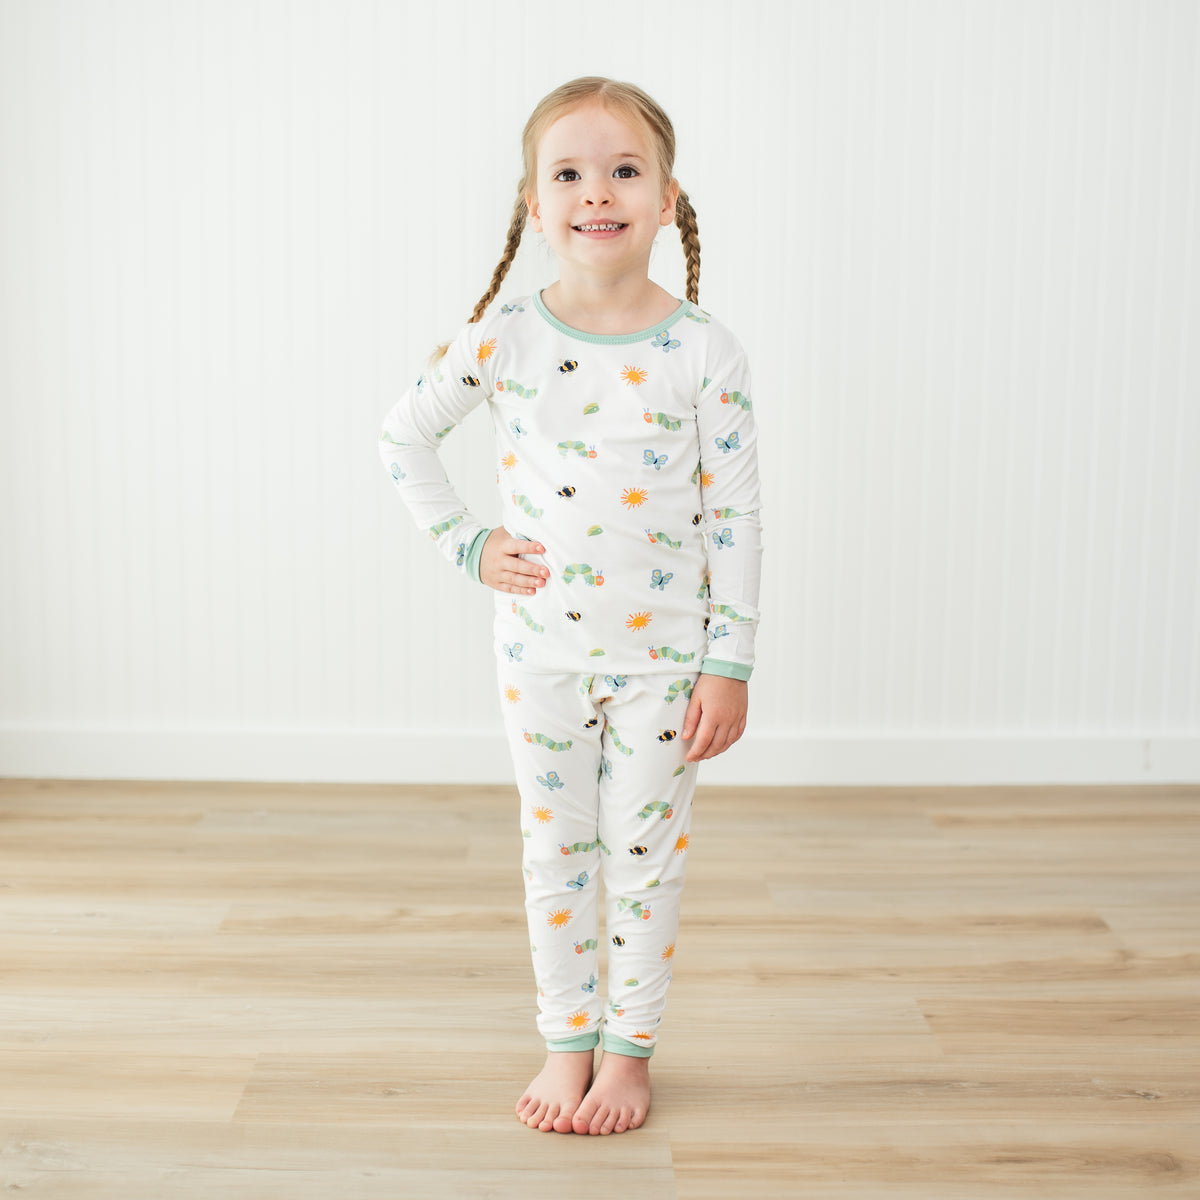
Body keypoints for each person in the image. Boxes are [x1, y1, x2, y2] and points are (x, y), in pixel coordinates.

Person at [377, 76, 763, 1136]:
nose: (599, 192)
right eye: (571, 173)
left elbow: (735, 521)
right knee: (555, 851)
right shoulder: (503, 338)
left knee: (644, 860)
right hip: (539, 653)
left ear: (668, 197)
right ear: (534, 201)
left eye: (625, 170)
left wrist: (728, 665)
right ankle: (566, 1039)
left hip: (666, 668)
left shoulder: (703, 352)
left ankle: (629, 1053)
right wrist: (469, 542)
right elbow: (402, 437)